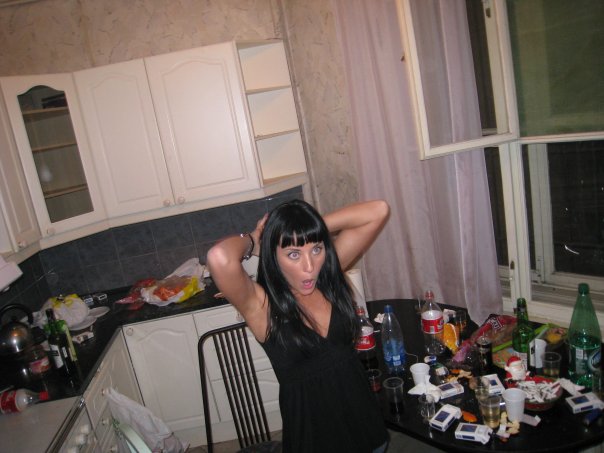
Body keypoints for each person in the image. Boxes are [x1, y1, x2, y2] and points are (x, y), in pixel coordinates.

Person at [207, 199, 390, 453]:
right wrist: (257, 239)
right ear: (273, 255)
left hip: (367, 430)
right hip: (314, 442)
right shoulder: (262, 306)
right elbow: (219, 257)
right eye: (293, 254)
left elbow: (378, 210)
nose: (309, 266)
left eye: (316, 249)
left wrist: (305, 230)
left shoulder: (326, 276)